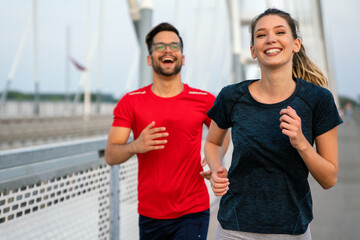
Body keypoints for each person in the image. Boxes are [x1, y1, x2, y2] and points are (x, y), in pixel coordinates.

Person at [204, 8, 343, 240]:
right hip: (234, 228)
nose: (270, 39)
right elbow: (212, 142)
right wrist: (217, 168)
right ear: (252, 50)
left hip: (291, 230)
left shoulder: (318, 100)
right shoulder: (231, 96)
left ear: (295, 44)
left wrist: (301, 143)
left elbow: (329, 179)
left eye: (280, 32)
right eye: (261, 35)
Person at [105, 22, 229, 240]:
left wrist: (215, 162)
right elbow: (111, 155)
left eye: (174, 46)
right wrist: (136, 145)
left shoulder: (204, 100)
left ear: (182, 57)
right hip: (150, 213)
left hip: (193, 210)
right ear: (149, 58)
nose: (168, 50)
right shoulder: (130, 102)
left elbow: (223, 134)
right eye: (160, 47)